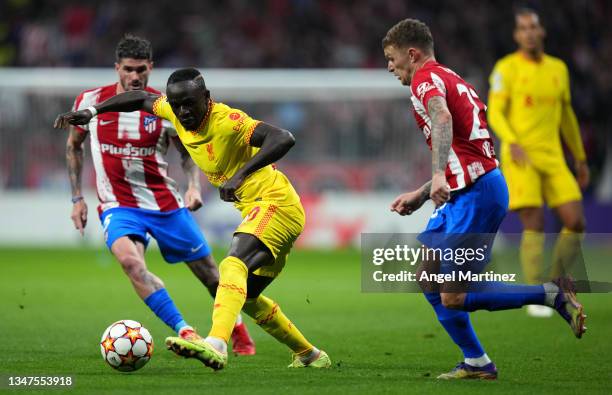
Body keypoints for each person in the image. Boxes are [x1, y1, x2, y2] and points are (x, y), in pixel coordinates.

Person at [55, 67, 330, 371]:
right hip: (262, 209)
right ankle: (310, 355)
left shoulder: (227, 121)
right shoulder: (173, 112)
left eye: (189, 103)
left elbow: (283, 137)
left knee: (231, 266)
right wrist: (94, 110)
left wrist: (240, 175)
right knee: (247, 296)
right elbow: (139, 98)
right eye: (176, 105)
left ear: (206, 98)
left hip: (275, 204)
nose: (183, 111)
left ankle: (216, 344)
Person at [383, 18, 585, 380]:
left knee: (454, 296)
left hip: (475, 195)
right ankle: (476, 361)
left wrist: (437, 174)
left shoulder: (425, 79)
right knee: (428, 277)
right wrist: (423, 192)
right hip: (469, 190)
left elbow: (442, 118)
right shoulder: (452, 78)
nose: (389, 67)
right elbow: (466, 150)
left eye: (392, 58)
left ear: (411, 54)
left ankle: (548, 294)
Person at [64, 35, 254, 356]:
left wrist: (194, 185)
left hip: (165, 203)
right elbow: (73, 147)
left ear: (151, 67)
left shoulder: (164, 107)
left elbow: (186, 154)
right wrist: (77, 199)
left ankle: (238, 331)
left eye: (141, 69)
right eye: (128, 70)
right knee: (130, 263)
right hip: (119, 205)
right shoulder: (89, 101)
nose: (135, 76)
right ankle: (186, 331)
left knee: (210, 274)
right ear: (117, 68)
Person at [488, 8, 589, 317]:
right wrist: (511, 140)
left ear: (542, 31)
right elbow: (495, 112)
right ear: (517, 35)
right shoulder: (506, 69)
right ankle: (537, 294)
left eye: (533, 27)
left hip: (553, 156)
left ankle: (555, 283)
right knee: (535, 223)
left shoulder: (558, 69)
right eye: (523, 28)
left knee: (576, 222)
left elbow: (567, 116)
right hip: (521, 156)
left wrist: (580, 156)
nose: (529, 32)